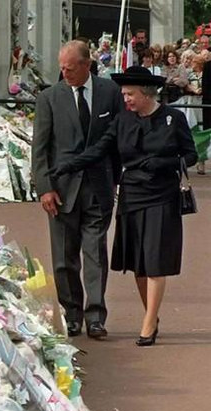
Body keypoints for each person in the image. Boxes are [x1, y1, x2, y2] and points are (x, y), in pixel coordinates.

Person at [51, 67, 198, 346]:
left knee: (155, 262)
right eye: (123, 94)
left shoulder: (173, 118)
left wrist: (164, 162)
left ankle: (147, 324)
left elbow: (190, 155)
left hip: (162, 195)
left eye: (129, 94)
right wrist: (69, 165)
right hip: (132, 194)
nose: (125, 98)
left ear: (145, 94)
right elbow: (99, 150)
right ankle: (151, 316)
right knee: (139, 263)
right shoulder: (122, 120)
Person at [32, 40, 125, 339]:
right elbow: (40, 149)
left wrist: (116, 179)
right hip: (60, 190)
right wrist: (44, 188)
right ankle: (71, 314)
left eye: (70, 68)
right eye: (61, 68)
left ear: (87, 65)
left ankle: (95, 316)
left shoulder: (110, 93)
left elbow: (116, 142)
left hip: (98, 186)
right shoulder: (49, 98)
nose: (65, 73)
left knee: (96, 252)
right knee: (63, 256)